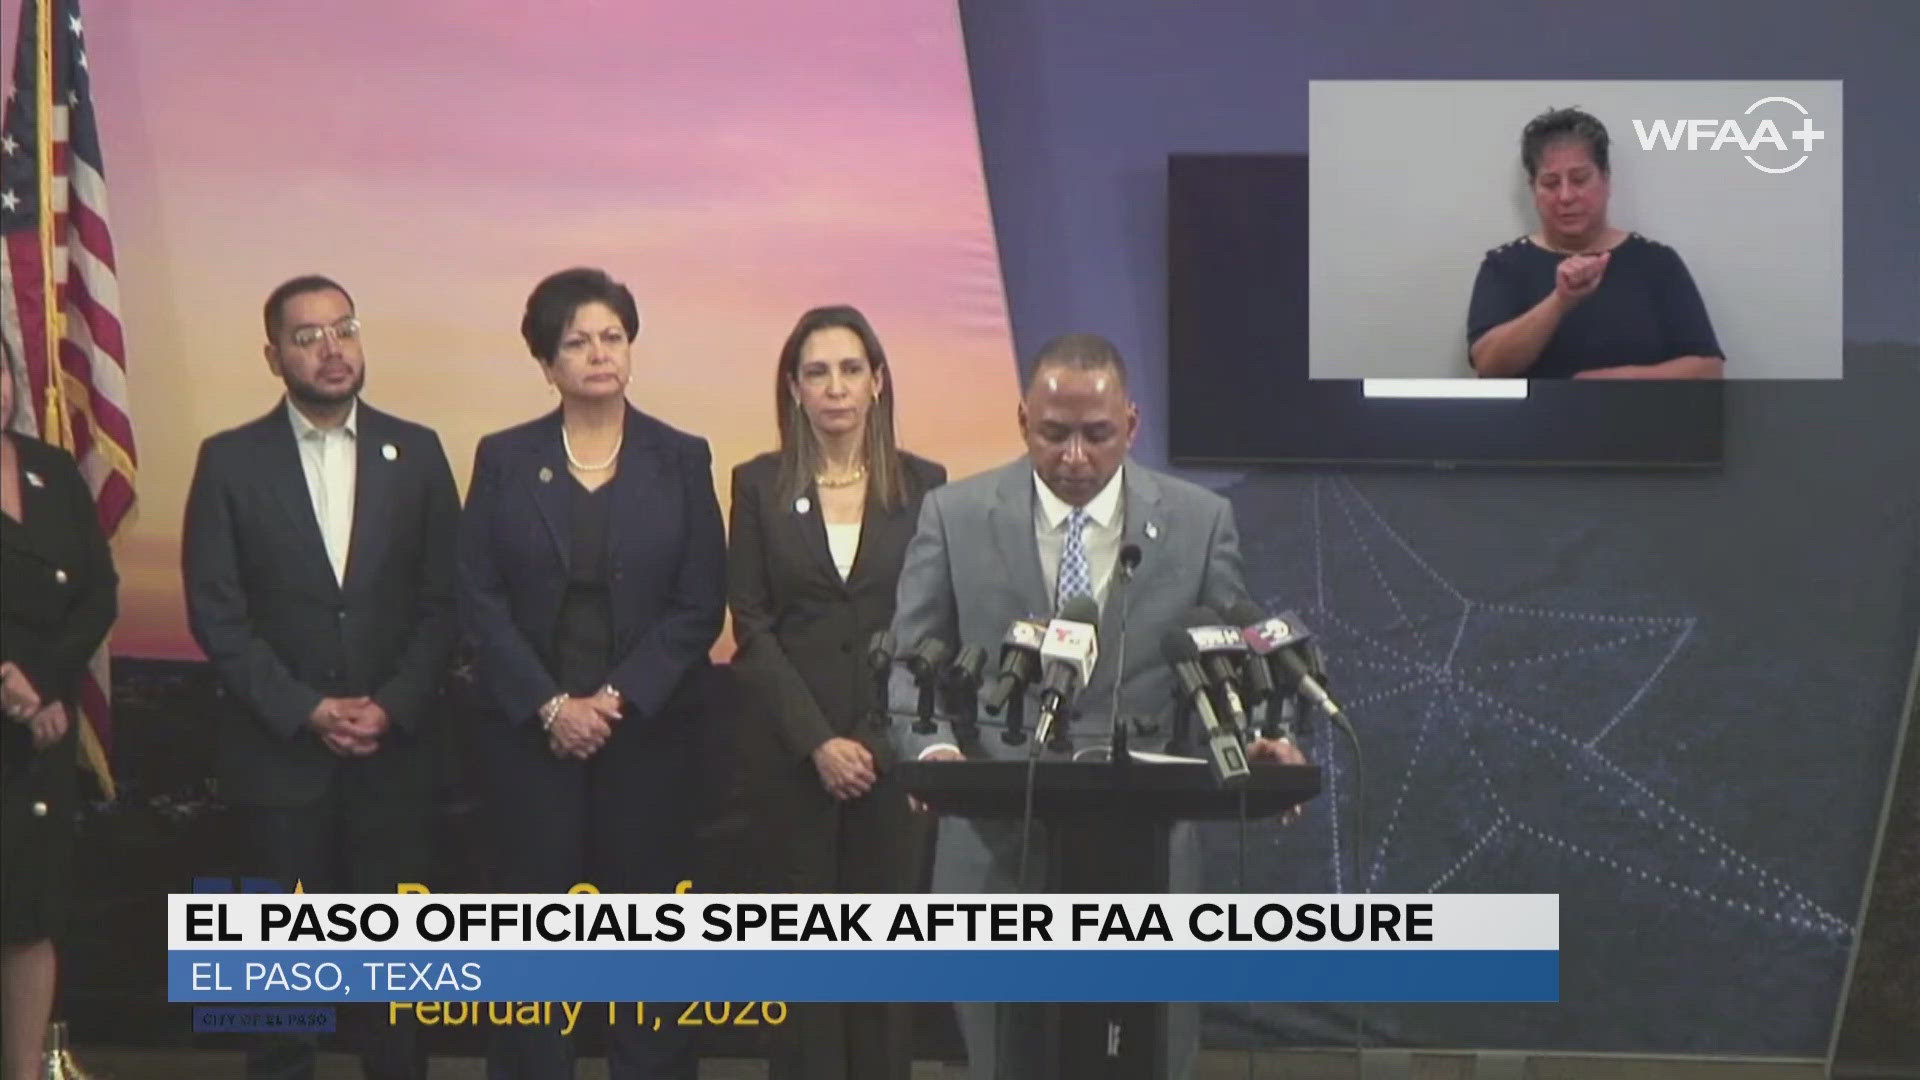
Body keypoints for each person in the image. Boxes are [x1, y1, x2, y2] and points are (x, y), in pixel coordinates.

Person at [887, 333, 1305, 1080]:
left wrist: (1261, 736)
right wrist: (934, 753)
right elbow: (911, 656)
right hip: (995, 843)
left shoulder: (1199, 521)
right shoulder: (953, 515)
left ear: (1132, 425)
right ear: (1023, 420)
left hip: (1144, 849)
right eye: (1054, 434)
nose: (1075, 457)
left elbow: (1230, 653)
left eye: (1097, 434)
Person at [181, 275, 460, 1080]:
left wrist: (393, 705)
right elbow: (216, 613)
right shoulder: (230, 460)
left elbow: (447, 601)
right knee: (279, 996)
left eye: (344, 329)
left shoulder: (418, 452)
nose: (332, 349)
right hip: (279, 760)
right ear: (274, 357)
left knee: (396, 992)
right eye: (307, 337)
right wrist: (305, 708)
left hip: (394, 759)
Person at [457, 267, 725, 1080]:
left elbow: (698, 604)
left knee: (647, 944)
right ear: (547, 364)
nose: (600, 353)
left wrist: (612, 700)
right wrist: (550, 705)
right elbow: (477, 597)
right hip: (530, 741)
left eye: (613, 337)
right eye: (577, 342)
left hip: (646, 736)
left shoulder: (681, 458)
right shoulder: (505, 459)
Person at [727, 305, 946, 1080]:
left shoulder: (925, 487)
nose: (835, 388)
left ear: (878, 381)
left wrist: (878, 742)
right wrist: (818, 742)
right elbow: (753, 626)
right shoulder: (757, 485)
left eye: (851, 370)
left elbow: (931, 625)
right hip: (794, 758)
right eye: (816, 372)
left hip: (892, 754)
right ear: (793, 388)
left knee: (883, 959)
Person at [0, 345, 117, 1080]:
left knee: (28, 917)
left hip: (39, 735)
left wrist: (43, 685)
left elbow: (98, 593)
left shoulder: (50, 469)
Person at [1467, 107, 1726, 380]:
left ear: (1606, 180)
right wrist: (1560, 301)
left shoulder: (1656, 262)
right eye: (1551, 183)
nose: (1566, 196)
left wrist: (1616, 383)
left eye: (1580, 179)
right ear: (1533, 189)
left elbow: (1708, 369)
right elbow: (1488, 366)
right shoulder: (1505, 265)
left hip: (1638, 409)